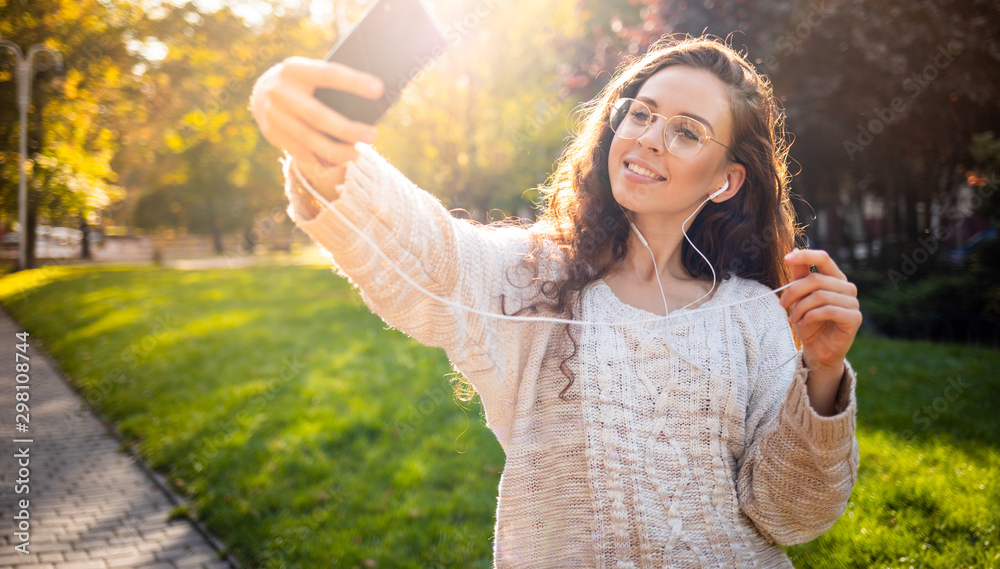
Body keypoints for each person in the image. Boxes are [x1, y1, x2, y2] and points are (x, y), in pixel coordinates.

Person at [249, 34, 862, 567]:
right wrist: (319, 150)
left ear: (726, 181)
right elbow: (430, 256)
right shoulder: (539, 281)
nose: (650, 138)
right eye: (642, 114)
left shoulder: (755, 314)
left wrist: (825, 373)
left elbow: (789, 517)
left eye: (686, 132)